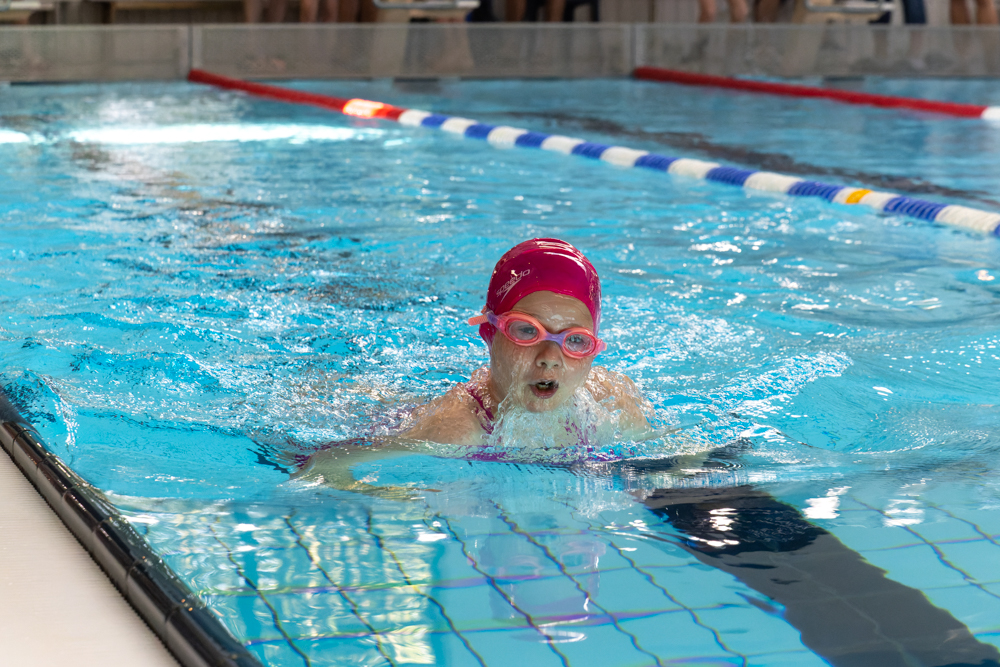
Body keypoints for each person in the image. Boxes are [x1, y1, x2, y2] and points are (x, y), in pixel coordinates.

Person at [294, 238, 656, 496]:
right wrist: (391, 498)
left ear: (592, 351)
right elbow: (322, 466)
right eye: (526, 330)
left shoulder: (612, 404)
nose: (551, 356)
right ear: (489, 332)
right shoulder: (457, 430)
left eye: (575, 340)